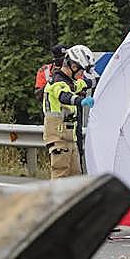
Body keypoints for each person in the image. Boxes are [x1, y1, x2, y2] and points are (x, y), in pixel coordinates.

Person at [42, 44, 94, 178]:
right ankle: (57, 200)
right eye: (81, 71)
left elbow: (86, 83)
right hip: (58, 138)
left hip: (70, 139)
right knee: (61, 175)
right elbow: (64, 96)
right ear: (74, 66)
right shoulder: (57, 82)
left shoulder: (71, 82)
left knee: (75, 177)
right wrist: (80, 101)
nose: (82, 75)